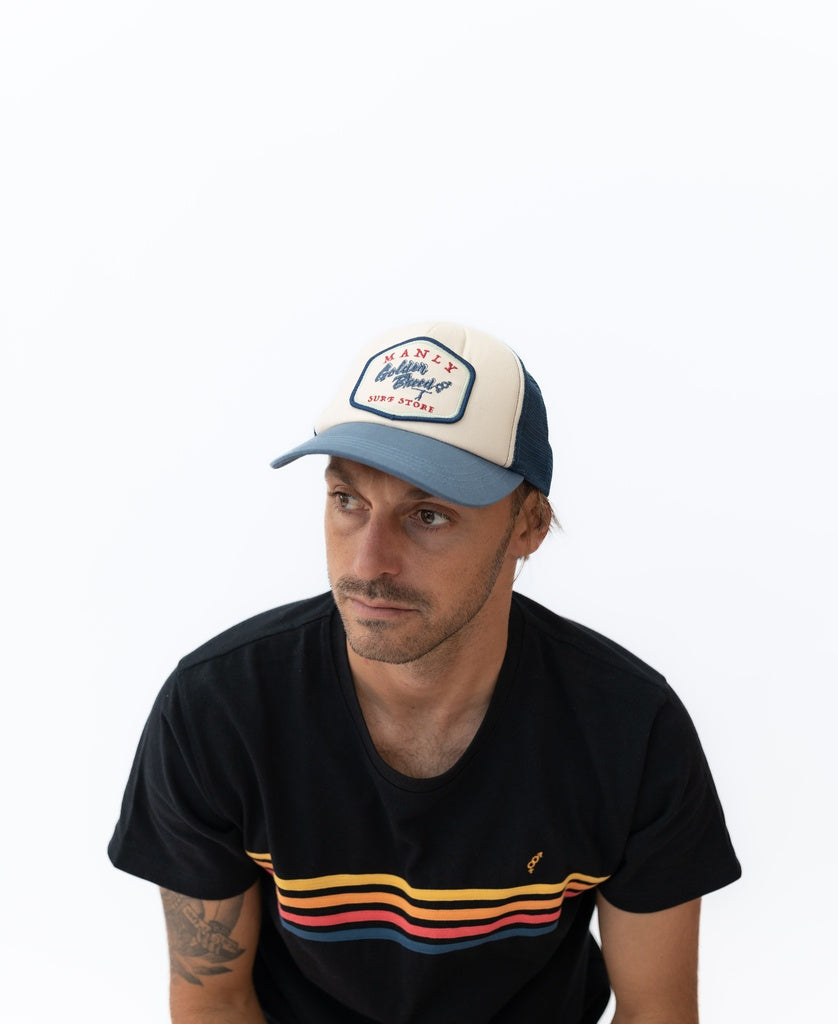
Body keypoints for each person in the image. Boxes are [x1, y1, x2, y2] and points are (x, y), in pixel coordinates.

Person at [109, 321, 741, 1024]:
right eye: (347, 500)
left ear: (529, 524)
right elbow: (215, 1000)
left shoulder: (628, 728)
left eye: (429, 514)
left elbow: (656, 1010)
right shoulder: (219, 711)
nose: (367, 562)